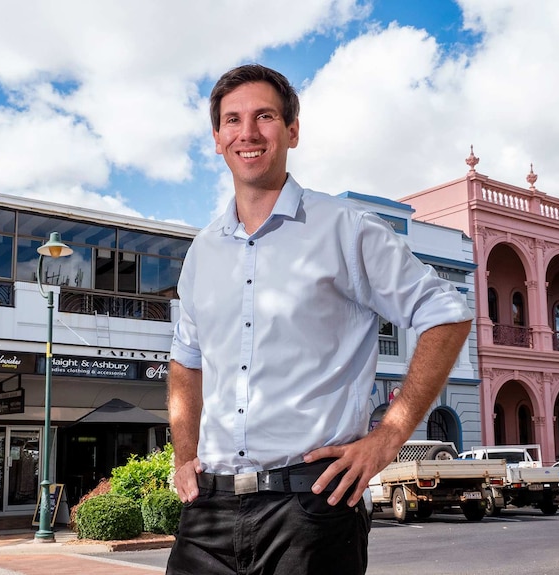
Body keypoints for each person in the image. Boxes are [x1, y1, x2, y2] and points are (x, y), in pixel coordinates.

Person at [167, 64, 473, 575]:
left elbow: (445, 313)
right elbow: (185, 359)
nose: (248, 132)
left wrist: (388, 436)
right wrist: (184, 455)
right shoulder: (202, 251)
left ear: (292, 130)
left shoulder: (346, 229)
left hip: (312, 507)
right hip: (210, 511)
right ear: (217, 138)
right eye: (233, 120)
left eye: (264, 116)